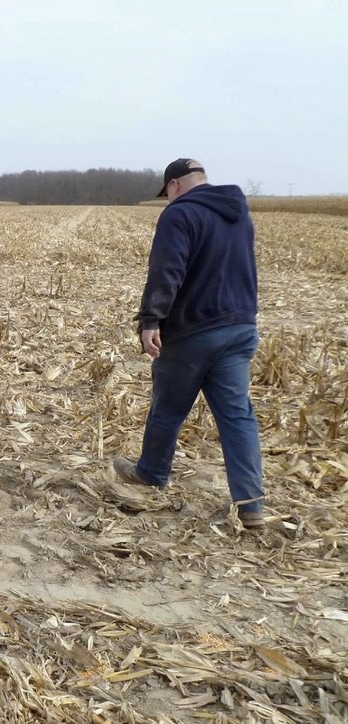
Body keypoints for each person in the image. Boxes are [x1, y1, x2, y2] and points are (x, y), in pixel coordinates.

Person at [113, 158, 265, 528]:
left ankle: (150, 472)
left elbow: (167, 269)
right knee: (237, 416)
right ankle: (251, 503)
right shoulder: (237, 213)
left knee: (168, 409)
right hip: (240, 326)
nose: (167, 199)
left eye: (167, 193)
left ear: (175, 185)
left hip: (194, 330)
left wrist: (150, 319)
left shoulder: (179, 215)